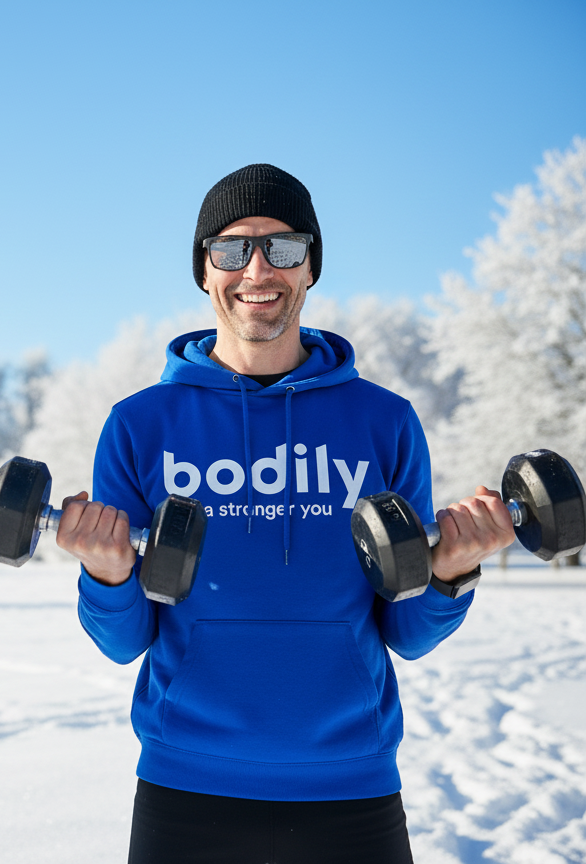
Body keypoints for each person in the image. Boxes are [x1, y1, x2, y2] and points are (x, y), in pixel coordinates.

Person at [54, 164, 516, 864]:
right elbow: (122, 643)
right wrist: (108, 576)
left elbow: (408, 633)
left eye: (285, 248)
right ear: (204, 270)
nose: (258, 270)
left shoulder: (384, 422)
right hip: (187, 787)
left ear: (312, 267)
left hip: (352, 789)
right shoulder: (140, 425)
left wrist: (450, 576)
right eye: (232, 249)